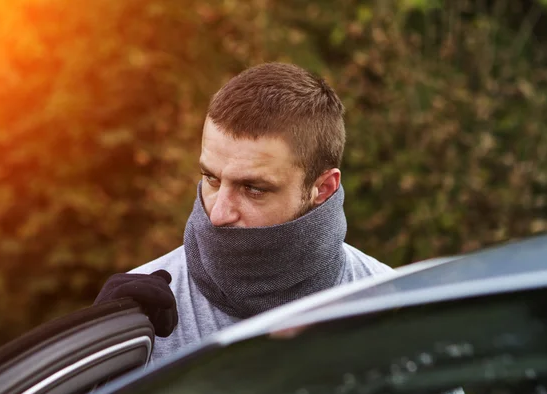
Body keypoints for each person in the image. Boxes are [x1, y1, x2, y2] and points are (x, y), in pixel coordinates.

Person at [95, 62, 393, 360]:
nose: (218, 214)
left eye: (253, 189)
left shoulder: (394, 314)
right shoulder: (139, 314)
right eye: (211, 178)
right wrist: (95, 364)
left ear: (323, 188)